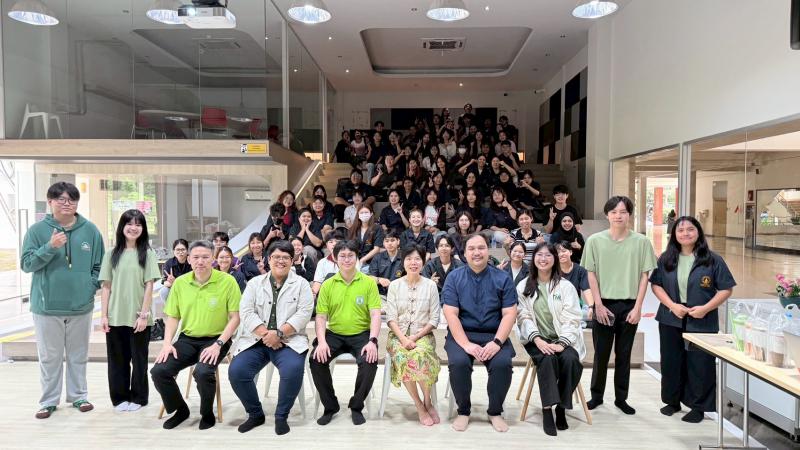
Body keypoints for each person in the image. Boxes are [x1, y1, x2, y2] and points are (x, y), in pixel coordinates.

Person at [21, 182, 105, 419]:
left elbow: (99, 265)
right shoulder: (37, 231)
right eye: (61, 199)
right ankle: (48, 401)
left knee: (79, 355)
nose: (67, 203)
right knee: (50, 357)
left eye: (72, 199)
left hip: (81, 305)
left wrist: (90, 287)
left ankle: (79, 396)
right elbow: (27, 264)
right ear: (50, 202)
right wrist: (50, 246)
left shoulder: (90, 230)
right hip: (46, 307)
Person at [649, 216, 735, 423]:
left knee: (700, 363)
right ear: (674, 235)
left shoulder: (712, 260)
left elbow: (726, 289)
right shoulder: (666, 259)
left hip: (701, 318)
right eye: (680, 230)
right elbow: (656, 285)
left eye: (690, 229)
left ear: (698, 232)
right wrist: (672, 306)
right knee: (671, 361)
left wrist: (705, 308)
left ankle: (698, 407)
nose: (685, 234)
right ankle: (672, 401)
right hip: (671, 317)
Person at [150, 240, 241, 430]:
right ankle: (180, 410)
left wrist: (218, 344)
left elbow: (235, 317)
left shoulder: (227, 281)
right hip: (187, 339)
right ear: (189, 259)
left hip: (217, 339)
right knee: (159, 371)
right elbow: (173, 316)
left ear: (213, 259)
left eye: (205, 257)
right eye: (196, 257)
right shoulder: (181, 283)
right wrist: (167, 343)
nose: (200, 261)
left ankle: (206, 413)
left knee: (203, 372)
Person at [581, 196, 657, 415]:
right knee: (601, 354)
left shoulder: (641, 242)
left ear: (629, 215)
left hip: (629, 305)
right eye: (613, 212)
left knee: (624, 355)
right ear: (607, 215)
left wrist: (638, 307)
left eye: (623, 212)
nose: (618, 216)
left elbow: (644, 276)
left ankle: (621, 398)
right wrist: (597, 305)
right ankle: (596, 396)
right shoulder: (595, 240)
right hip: (603, 304)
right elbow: (591, 274)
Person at [229, 240, 314, 435]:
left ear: (292, 260)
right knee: (237, 371)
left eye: (285, 257)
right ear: (268, 259)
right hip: (257, 340)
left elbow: (304, 314)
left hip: (289, 341)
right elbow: (246, 311)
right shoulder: (254, 283)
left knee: (292, 370)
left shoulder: (301, 284)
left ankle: (281, 416)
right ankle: (255, 414)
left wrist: (279, 334)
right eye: (276, 256)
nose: (280, 261)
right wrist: (267, 334)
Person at [442, 233, 517, 433]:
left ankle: (495, 411)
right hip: (462, 334)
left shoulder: (502, 278)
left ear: (488, 250)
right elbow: (450, 313)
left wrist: (497, 342)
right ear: (465, 253)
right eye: (472, 248)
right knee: (459, 363)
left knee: (502, 364)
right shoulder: (454, 277)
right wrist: (466, 344)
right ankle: (463, 411)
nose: (477, 252)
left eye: (481, 248)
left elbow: (510, 313)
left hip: (494, 334)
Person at [310, 240, 382, 426]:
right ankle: (330, 406)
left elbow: (375, 314)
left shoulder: (368, 283)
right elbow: (320, 317)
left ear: (357, 257)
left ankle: (356, 406)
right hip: (334, 333)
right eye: (342, 256)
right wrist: (322, 341)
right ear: (335, 258)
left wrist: (373, 341)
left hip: (361, 334)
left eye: (351, 255)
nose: (347, 259)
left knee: (369, 361)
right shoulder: (328, 285)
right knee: (316, 359)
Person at [517, 243, 585, 436]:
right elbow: (523, 317)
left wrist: (562, 343)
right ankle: (547, 409)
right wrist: (538, 340)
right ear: (534, 259)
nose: (543, 259)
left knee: (571, 360)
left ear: (555, 259)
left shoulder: (565, 286)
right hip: (536, 340)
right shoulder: (523, 286)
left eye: (548, 255)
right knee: (547, 360)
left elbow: (573, 318)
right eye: (539, 255)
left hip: (563, 339)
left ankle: (561, 407)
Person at [99, 209, 161, 412]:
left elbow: (149, 286)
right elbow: (106, 286)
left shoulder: (148, 254)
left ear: (143, 229)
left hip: (138, 318)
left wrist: (143, 315)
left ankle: (139, 398)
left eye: (138, 224)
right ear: (122, 227)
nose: (133, 228)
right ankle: (119, 398)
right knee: (117, 361)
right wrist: (104, 316)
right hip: (115, 317)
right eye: (129, 223)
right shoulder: (111, 254)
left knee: (139, 360)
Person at [385, 244, 442, 426]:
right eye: (409, 259)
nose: (413, 262)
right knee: (404, 356)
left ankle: (428, 401)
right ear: (403, 262)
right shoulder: (394, 286)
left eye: (417, 259)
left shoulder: (430, 286)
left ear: (423, 262)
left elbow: (434, 319)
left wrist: (414, 338)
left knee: (420, 354)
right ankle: (419, 405)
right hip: (398, 336)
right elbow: (391, 318)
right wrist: (403, 339)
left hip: (423, 335)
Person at [554, 241, 593, 309]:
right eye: (558, 252)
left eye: (564, 251)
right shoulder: (552, 271)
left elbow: (586, 289)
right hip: (556, 306)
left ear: (570, 252)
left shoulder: (580, 270)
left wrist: (591, 306)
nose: (561, 254)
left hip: (575, 306)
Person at [348, 205, 385, 271]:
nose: (364, 215)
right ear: (358, 215)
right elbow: (349, 247)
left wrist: (362, 260)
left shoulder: (377, 228)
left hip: (371, 261)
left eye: (366, 212)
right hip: (355, 260)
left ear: (371, 214)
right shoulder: (353, 229)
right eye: (361, 213)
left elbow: (376, 249)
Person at [368, 230, 403, 296]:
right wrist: (379, 280)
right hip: (381, 294)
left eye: (392, 240)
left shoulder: (405, 258)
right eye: (387, 241)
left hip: (400, 294)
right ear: (383, 243)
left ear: (398, 241)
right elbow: (370, 277)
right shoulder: (377, 258)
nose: (390, 243)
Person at [312, 230, 345, 296]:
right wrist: (313, 295)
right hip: (328, 295)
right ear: (327, 245)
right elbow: (318, 282)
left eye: (337, 241)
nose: (334, 244)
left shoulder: (350, 260)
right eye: (331, 242)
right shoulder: (322, 262)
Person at [160, 239, 191, 305]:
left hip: (190, 288)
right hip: (175, 289)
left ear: (187, 250)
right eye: (178, 250)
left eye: (183, 249)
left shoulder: (192, 261)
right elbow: (164, 282)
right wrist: (172, 282)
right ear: (173, 251)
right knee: (164, 291)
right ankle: (170, 309)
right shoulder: (169, 263)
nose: (180, 252)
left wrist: (175, 281)